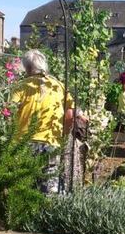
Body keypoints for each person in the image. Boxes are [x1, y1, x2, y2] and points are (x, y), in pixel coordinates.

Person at [11, 49, 79, 194]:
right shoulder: (58, 86)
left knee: (24, 186)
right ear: (44, 66)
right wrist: (64, 134)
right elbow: (70, 114)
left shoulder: (20, 87)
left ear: (27, 68)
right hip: (50, 142)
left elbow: (8, 112)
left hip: (23, 143)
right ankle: (49, 213)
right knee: (50, 185)